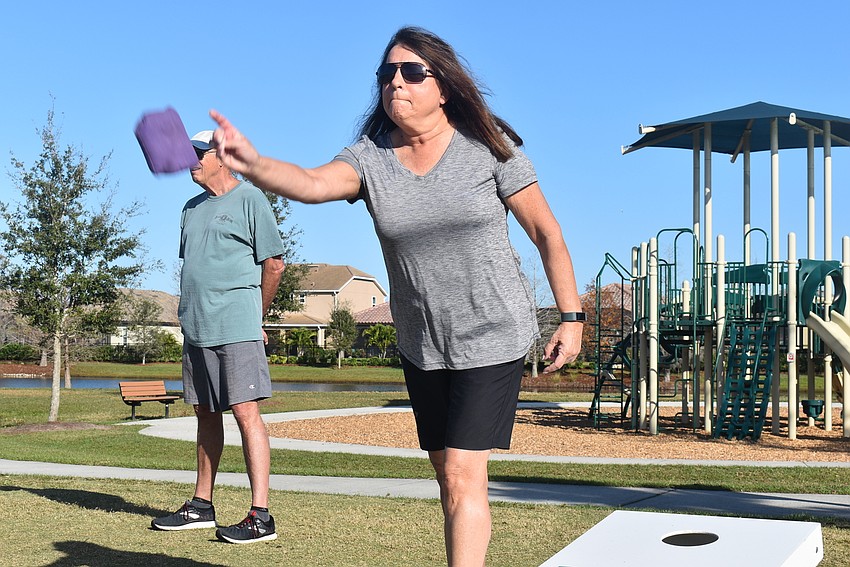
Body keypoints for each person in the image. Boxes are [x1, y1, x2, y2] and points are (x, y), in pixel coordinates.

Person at [210, 26, 583, 565]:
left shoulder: (487, 147)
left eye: (412, 72)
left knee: (461, 471)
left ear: (444, 86)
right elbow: (314, 183)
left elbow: (548, 234)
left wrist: (570, 317)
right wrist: (255, 163)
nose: (396, 83)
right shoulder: (369, 157)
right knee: (446, 474)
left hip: (494, 331)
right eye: (386, 74)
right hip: (423, 342)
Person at [151, 130, 285, 545]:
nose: (188, 160)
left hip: (237, 326)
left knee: (246, 413)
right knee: (206, 414)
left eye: (197, 153)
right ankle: (201, 506)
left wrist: (254, 316)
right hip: (197, 327)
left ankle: (260, 516)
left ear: (222, 156)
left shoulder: (250, 200)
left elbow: (275, 265)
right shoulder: (190, 209)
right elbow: (196, 267)